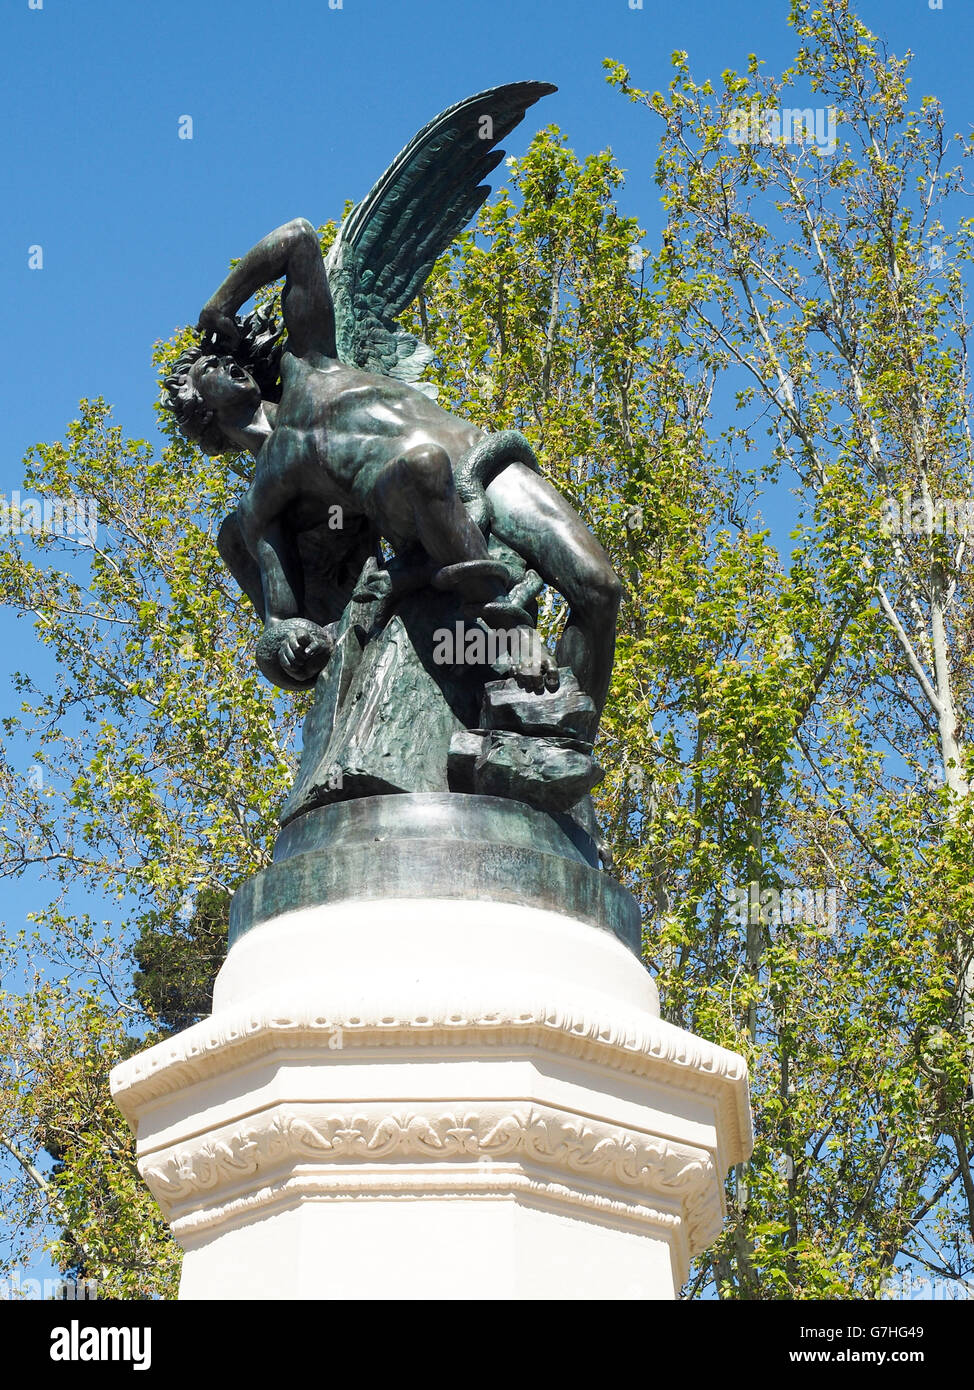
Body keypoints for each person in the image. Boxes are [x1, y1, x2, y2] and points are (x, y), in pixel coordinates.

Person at [166, 218, 621, 715]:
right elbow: (282, 621)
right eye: (209, 368)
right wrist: (292, 648)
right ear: (201, 413)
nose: (231, 366)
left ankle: (568, 752)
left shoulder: (309, 363)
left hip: (482, 462)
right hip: (419, 507)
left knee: (599, 589)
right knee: (422, 466)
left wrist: (221, 303)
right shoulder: (265, 497)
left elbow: (297, 239)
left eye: (231, 360)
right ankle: (506, 629)